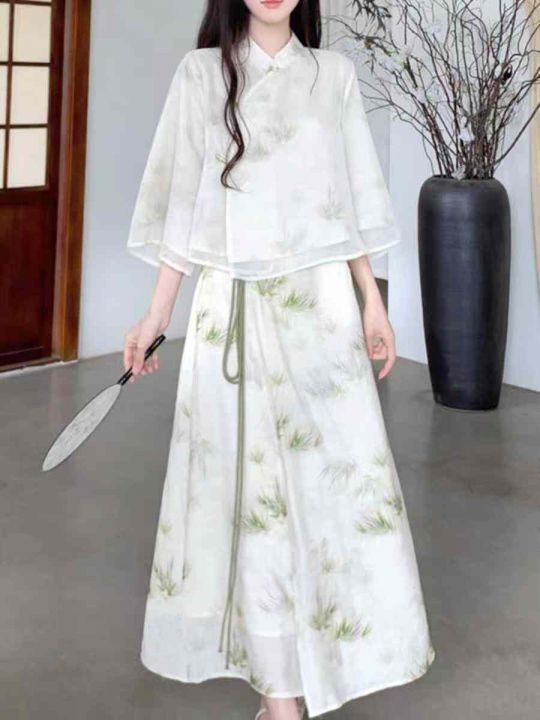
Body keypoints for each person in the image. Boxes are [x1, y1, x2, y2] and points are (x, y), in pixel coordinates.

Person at [123, 1, 435, 718]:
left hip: (319, 314)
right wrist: (157, 315)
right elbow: (183, 208)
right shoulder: (201, 75)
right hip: (228, 312)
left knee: (335, 492)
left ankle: (316, 671)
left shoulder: (333, 75)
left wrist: (372, 301)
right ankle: (282, 696)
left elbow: (349, 200)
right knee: (249, 503)